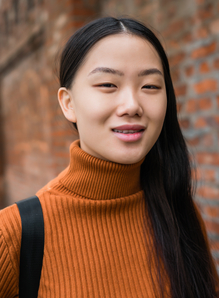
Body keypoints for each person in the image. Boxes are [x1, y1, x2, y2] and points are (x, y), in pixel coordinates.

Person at [0, 16, 218, 298]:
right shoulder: (15, 235)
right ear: (68, 104)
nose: (132, 105)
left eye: (150, 86)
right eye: (107, 85)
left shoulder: (179, 212)